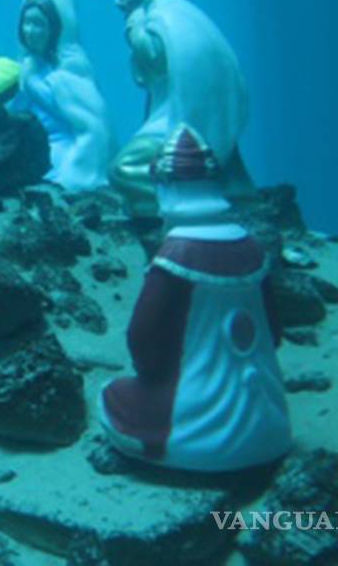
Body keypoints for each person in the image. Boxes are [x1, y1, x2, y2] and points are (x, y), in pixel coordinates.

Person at [99, 125, 290, 471]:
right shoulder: (250, 246)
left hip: (192, 422)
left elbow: (144, 340)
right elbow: (273, 333)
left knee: (111, 396)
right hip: (269, 416)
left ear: (166, 187)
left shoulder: (176, 253)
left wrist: (154, 379)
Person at [108, 0, 254, 217]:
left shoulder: (154, 10)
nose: (117, 1)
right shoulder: (179, 11)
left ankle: (191, 205)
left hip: (178, 117)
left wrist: (133, 28)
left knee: (122, 170)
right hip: (195, 110)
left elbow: (152, 62)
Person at [9, 0, 112, 191]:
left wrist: (31, 83)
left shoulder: (72, 69)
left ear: (55, 28)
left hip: (63, 154)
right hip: (29, 149)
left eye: (38, 24)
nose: (30, 31)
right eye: (26, 23)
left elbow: (91, 125)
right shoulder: (27, 66)